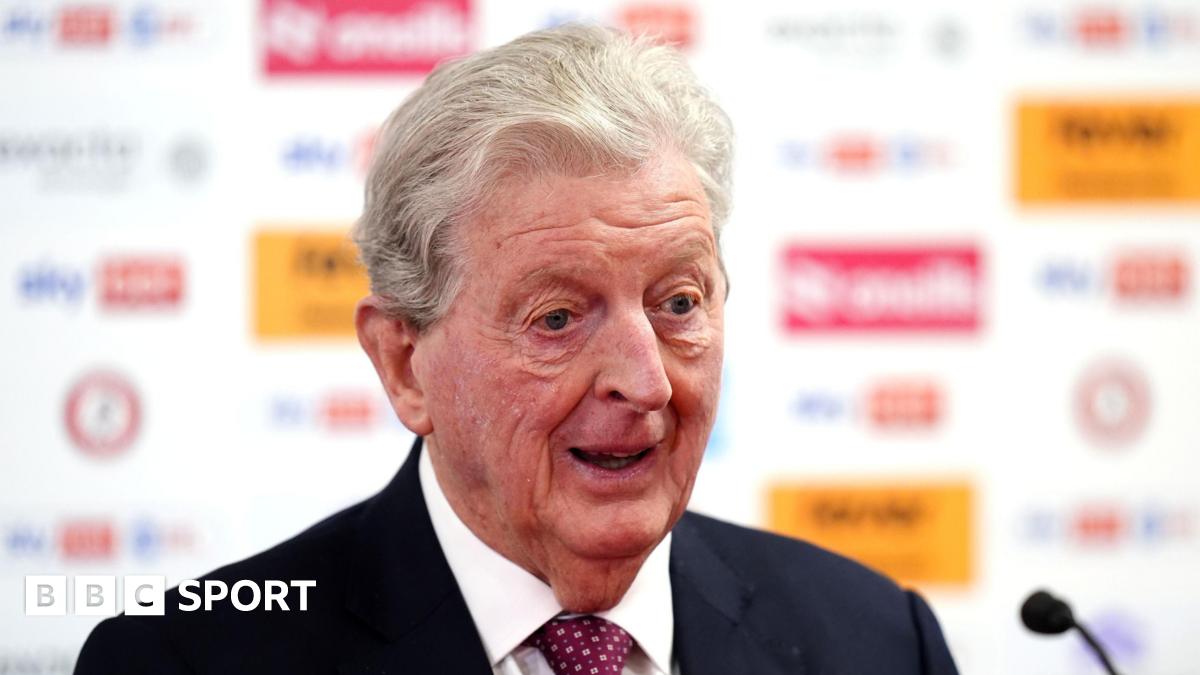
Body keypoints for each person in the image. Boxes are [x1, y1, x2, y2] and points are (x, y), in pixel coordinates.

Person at [75, 24, 958, 675]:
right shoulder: (183, 660)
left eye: (679, 302)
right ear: (402, 363)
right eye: (557, 319)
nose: (645, 379)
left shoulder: (878, 640)